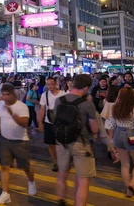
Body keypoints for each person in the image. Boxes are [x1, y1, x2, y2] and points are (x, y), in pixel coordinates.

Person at [54, 74, 99, 206]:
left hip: (62, 142)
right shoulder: (87, 104)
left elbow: (56, 120)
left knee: (62, 174)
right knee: (83, 180)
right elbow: (95, 129)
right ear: (86, 88)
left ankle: (61, 199)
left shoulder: (59, 100)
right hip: (81, 144)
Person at [105, 87, 134, 198]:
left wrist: (110, 140)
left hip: (118, 135)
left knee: (125, 165)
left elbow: (109, 125)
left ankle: (128, 190)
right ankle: (133, 184)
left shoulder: (114, 107)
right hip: (133, 135)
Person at [0, 83, 36, 204]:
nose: (5, 97)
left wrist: (12, 113)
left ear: (13, 94)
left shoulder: (22, 106)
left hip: (20, 141)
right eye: (3, 94)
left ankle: (31, 181)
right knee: (4, 166)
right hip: (4, 140)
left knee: (25, 166)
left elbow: (24, 123)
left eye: (8, 94)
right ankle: (5, 193)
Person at [38, 77, 66, 172]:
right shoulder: (44, 95)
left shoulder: (63, 94)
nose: (50, 86)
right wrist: (40, 123)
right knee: (51, 144)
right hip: (48, 122)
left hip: (61, 123)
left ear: (56, 84)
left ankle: (63, 161)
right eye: (48, 84)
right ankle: (55, 162)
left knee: (61, 144)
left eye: (52, 84)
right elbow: (42, 110)